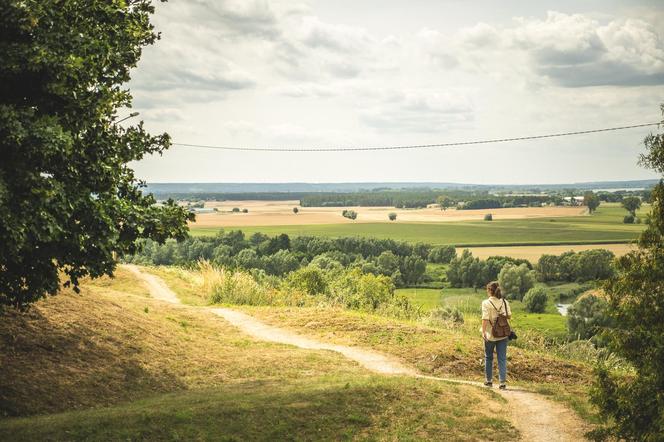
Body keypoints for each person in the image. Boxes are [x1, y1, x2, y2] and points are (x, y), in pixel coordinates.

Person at [481, 281, 512, 389]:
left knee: (488, 357)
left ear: (490, 290)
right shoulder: (504, 302)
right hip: (503, 334)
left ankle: (489, 381)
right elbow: (509, 316)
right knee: (502, 358)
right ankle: (502, 383)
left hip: (490, 334)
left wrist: (483, 332)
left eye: (487, 290)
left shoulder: (486, 303)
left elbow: (485, 319)